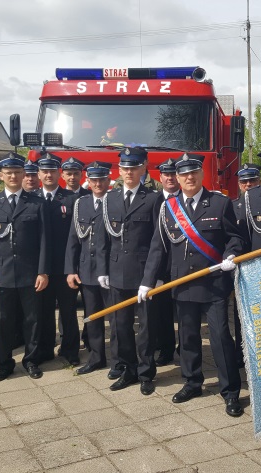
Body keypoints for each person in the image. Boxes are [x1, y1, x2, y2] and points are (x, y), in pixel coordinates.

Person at [140, 153, 244, 417]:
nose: (189, 178)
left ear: (201, 174)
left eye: (194, 172)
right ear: (177, 177)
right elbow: (158, 248)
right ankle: (192, 382)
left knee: (220, 337)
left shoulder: (219, 203)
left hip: (213, 284)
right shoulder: (168, 208)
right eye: (184, 174)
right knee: (187, 338)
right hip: (183, 283)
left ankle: (230, 391)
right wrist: (147, 282)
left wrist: (231, 254)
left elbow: (234, 238)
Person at [0, 152, 50, 381]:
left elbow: (44, 241)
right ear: (1, 175)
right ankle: (4, 363)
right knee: (3, 321)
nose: (13, 176)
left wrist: (43, 271)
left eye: (18, 172)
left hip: (30, 273)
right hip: (2, 274)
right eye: (9, 173)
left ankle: (31, 360)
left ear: (23, 174)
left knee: (33, 320)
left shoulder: (37, 203)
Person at [98, 146, 161, 391]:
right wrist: (102, 270)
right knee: (120, 325)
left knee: (146, 328)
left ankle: (146, 374)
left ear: (143, 168)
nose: (129, 172)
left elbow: (157, 242)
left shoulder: (153, 199)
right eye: (125, 168)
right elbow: (102, 238)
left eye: (134, 168)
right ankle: (128, 369)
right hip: (116, 273)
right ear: (119, 170)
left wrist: (152, 278)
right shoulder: (110, 199)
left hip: (143, 274)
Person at [66, 161, 113, 375]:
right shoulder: (81, 204)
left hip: (111, 269)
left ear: (108, 180)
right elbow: (73, 239)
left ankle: (119, 360)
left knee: (115, 318)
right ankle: (96, 358)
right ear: (89, 181)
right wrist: (71, 269)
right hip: (87, 269)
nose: (98, 184)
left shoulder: (115, 201)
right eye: (94, 180)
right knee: (92, 317)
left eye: (102, 179)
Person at [35, 152, 80, 366]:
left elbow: (75, 236)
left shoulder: (71, 199)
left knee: (68, 311)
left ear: (58, 173)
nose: (48, 175)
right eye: (44, 171)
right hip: (41, 268)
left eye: (52, 171)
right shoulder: (32, 199)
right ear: (39, 174)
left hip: (64, 266)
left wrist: (73, 267)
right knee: (44, 311)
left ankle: (70, 350)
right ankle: (45, 349)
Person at [231, 162, 261, 365]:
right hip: (241, 267)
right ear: (239, 184)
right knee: (240, 311)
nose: (248, 184)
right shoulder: (233, 206)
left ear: (259, 181)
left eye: (252, 180)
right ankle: (241, 352)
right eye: (244, 181)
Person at [152, 157, 181, 366]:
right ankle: (165, 348)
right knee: (161, 312)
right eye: (166, 174)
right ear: (160, 177)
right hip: (160, 265)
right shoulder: (151, 201)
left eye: (173, 174)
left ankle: (186, 348)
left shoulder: (188, 198)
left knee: (185, 311)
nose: (170, 178)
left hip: (183, 264)